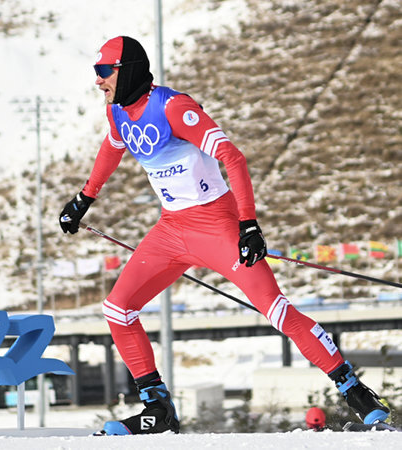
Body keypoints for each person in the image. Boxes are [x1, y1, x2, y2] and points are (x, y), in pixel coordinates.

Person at [59, 36, 390, 436]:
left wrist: (248, 223)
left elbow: (232, 157)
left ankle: (357, 394)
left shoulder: (174, 107)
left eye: (103, 71)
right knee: (117, 308)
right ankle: (157, 411)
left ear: (126, 70)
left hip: (218, 225)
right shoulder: (117, 114)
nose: (98, 81)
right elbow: (112, 150)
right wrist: (83, 199)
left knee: (276, 311)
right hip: (172, 230)